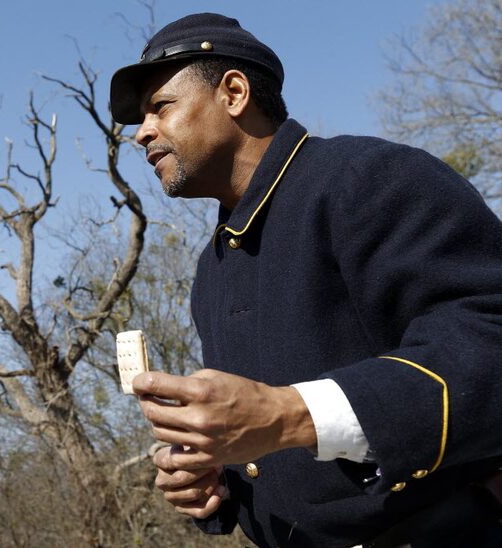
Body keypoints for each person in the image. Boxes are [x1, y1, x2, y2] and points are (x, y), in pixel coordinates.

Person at [109, 12, 502, 548]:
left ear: (233, 92)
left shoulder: (365, 178)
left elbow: (490, 344)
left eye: (161, 107)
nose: (141, 132)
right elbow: (275, 451)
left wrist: (285, 414)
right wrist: (213, 477)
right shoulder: (210, 273)